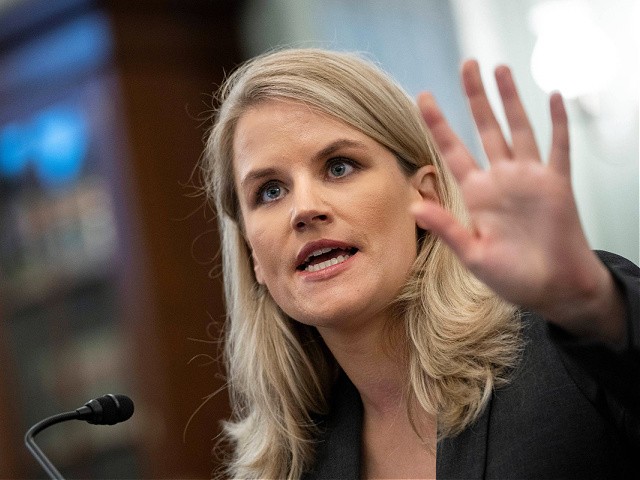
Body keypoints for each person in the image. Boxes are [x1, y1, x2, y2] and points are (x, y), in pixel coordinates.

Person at [202, 48, 639, 479]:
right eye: (270, 191)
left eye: (339, 167)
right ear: (252, 254)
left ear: (425, 194)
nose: (304, 208)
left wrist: (590, 302)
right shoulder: (293, 465)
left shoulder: (576, 335)